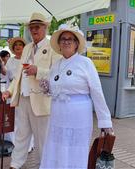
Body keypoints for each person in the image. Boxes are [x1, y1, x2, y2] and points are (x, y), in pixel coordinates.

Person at [39, 24, 114, 169]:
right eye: (63, 39)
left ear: (76, 44)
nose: (66, 41)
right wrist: (48, 89)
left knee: (75, 150)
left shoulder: (86, 63)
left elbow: (97, 91)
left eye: (71, 39)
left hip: (78, 117)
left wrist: (105, 121)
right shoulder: (55, 65)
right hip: (57, 116)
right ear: (59, 44)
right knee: (56, 148)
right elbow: (56, 89)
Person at [2, 12, 60, 169]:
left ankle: (44, 165)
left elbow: (57, 75)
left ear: (45, 28)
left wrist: (38, 71)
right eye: (32, 27)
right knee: (21, 134)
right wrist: (9, 91)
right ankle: (15, 164)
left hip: (41, 100)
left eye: (37, 27)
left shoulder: (53, 48)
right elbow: (19, 75)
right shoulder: (27, 48)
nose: (34, 30)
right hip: (23, 98)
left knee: (43, 138)